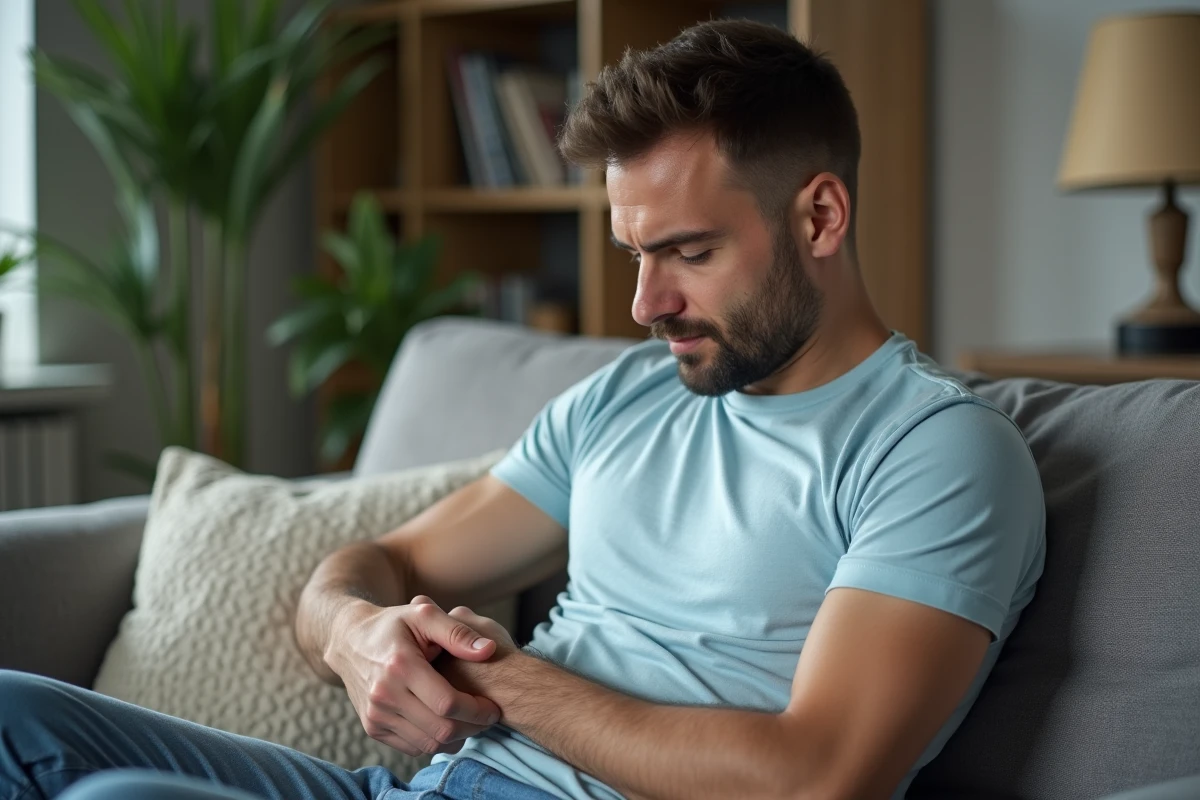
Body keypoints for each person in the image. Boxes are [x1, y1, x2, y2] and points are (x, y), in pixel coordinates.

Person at [0, 18, 1045, 800]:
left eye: (689, 252)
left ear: (820, 213)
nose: (646, 305)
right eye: (635, 254)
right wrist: (360, 634)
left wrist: (505, 683)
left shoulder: (936, 451)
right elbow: (372, 563)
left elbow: (822, 775)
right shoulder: (628, 399)